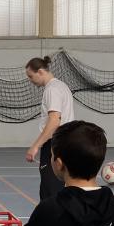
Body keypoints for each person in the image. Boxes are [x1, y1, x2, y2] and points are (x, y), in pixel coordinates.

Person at [25, 57, 75, 201]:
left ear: (40, 72)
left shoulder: (52, 89)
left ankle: (52, 222)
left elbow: (54, 121)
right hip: (65, 142)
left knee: (50, 190)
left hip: (55, 143)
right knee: (56, 186)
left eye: (31, 76)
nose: (30, 80)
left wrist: (35, 146)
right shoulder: (61, 86)